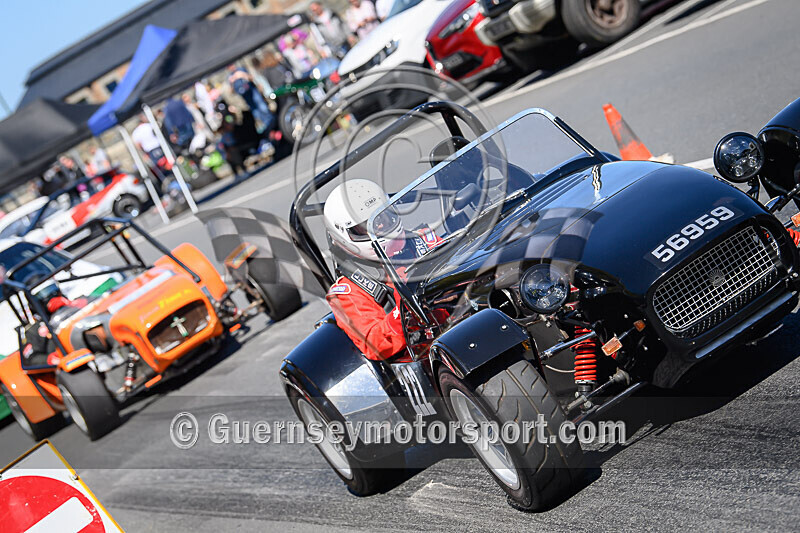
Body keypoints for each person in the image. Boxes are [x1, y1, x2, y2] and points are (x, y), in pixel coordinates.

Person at [226, 64, 276, 133]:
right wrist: (232, 81)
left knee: (262, 106)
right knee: (255, 111)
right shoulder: (229, 76)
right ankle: (266, 126)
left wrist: (242, 75)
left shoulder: (241, 69)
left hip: (252, 91)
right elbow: (231, 91)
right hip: (245, 95)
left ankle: (272, 121)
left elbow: (251, 78)